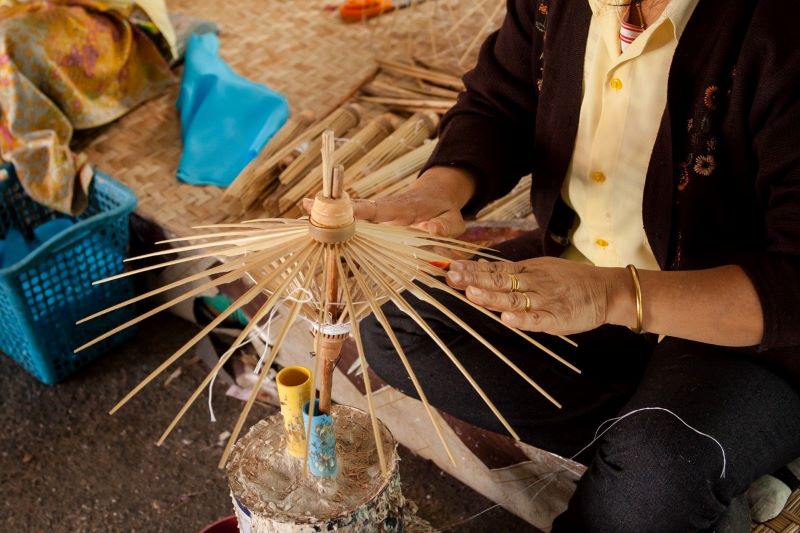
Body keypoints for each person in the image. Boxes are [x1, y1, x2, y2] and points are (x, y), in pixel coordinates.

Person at [350, 0, 800, 530]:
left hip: (737, 325)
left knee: (656, 472)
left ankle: (671, 457)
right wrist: (438, 190)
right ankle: (680, 453)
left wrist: (609, 296)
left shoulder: (780, 30)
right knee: (400, 326)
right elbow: (500, 104)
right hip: (577, 270)